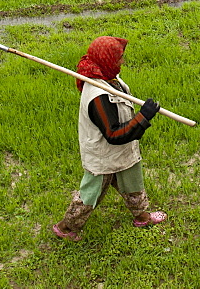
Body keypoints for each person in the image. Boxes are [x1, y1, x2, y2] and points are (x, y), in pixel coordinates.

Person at [53, 35, 167, 241]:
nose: (122, 62)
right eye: (119, 58)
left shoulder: (108, 77)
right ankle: (66, 228)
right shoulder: (98, 95)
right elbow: (113, 134)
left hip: (124, 150)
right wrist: (144, 117)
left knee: (133, 182)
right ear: (106, 59)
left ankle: (141, 216)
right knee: (89, 195)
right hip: (104, 154)